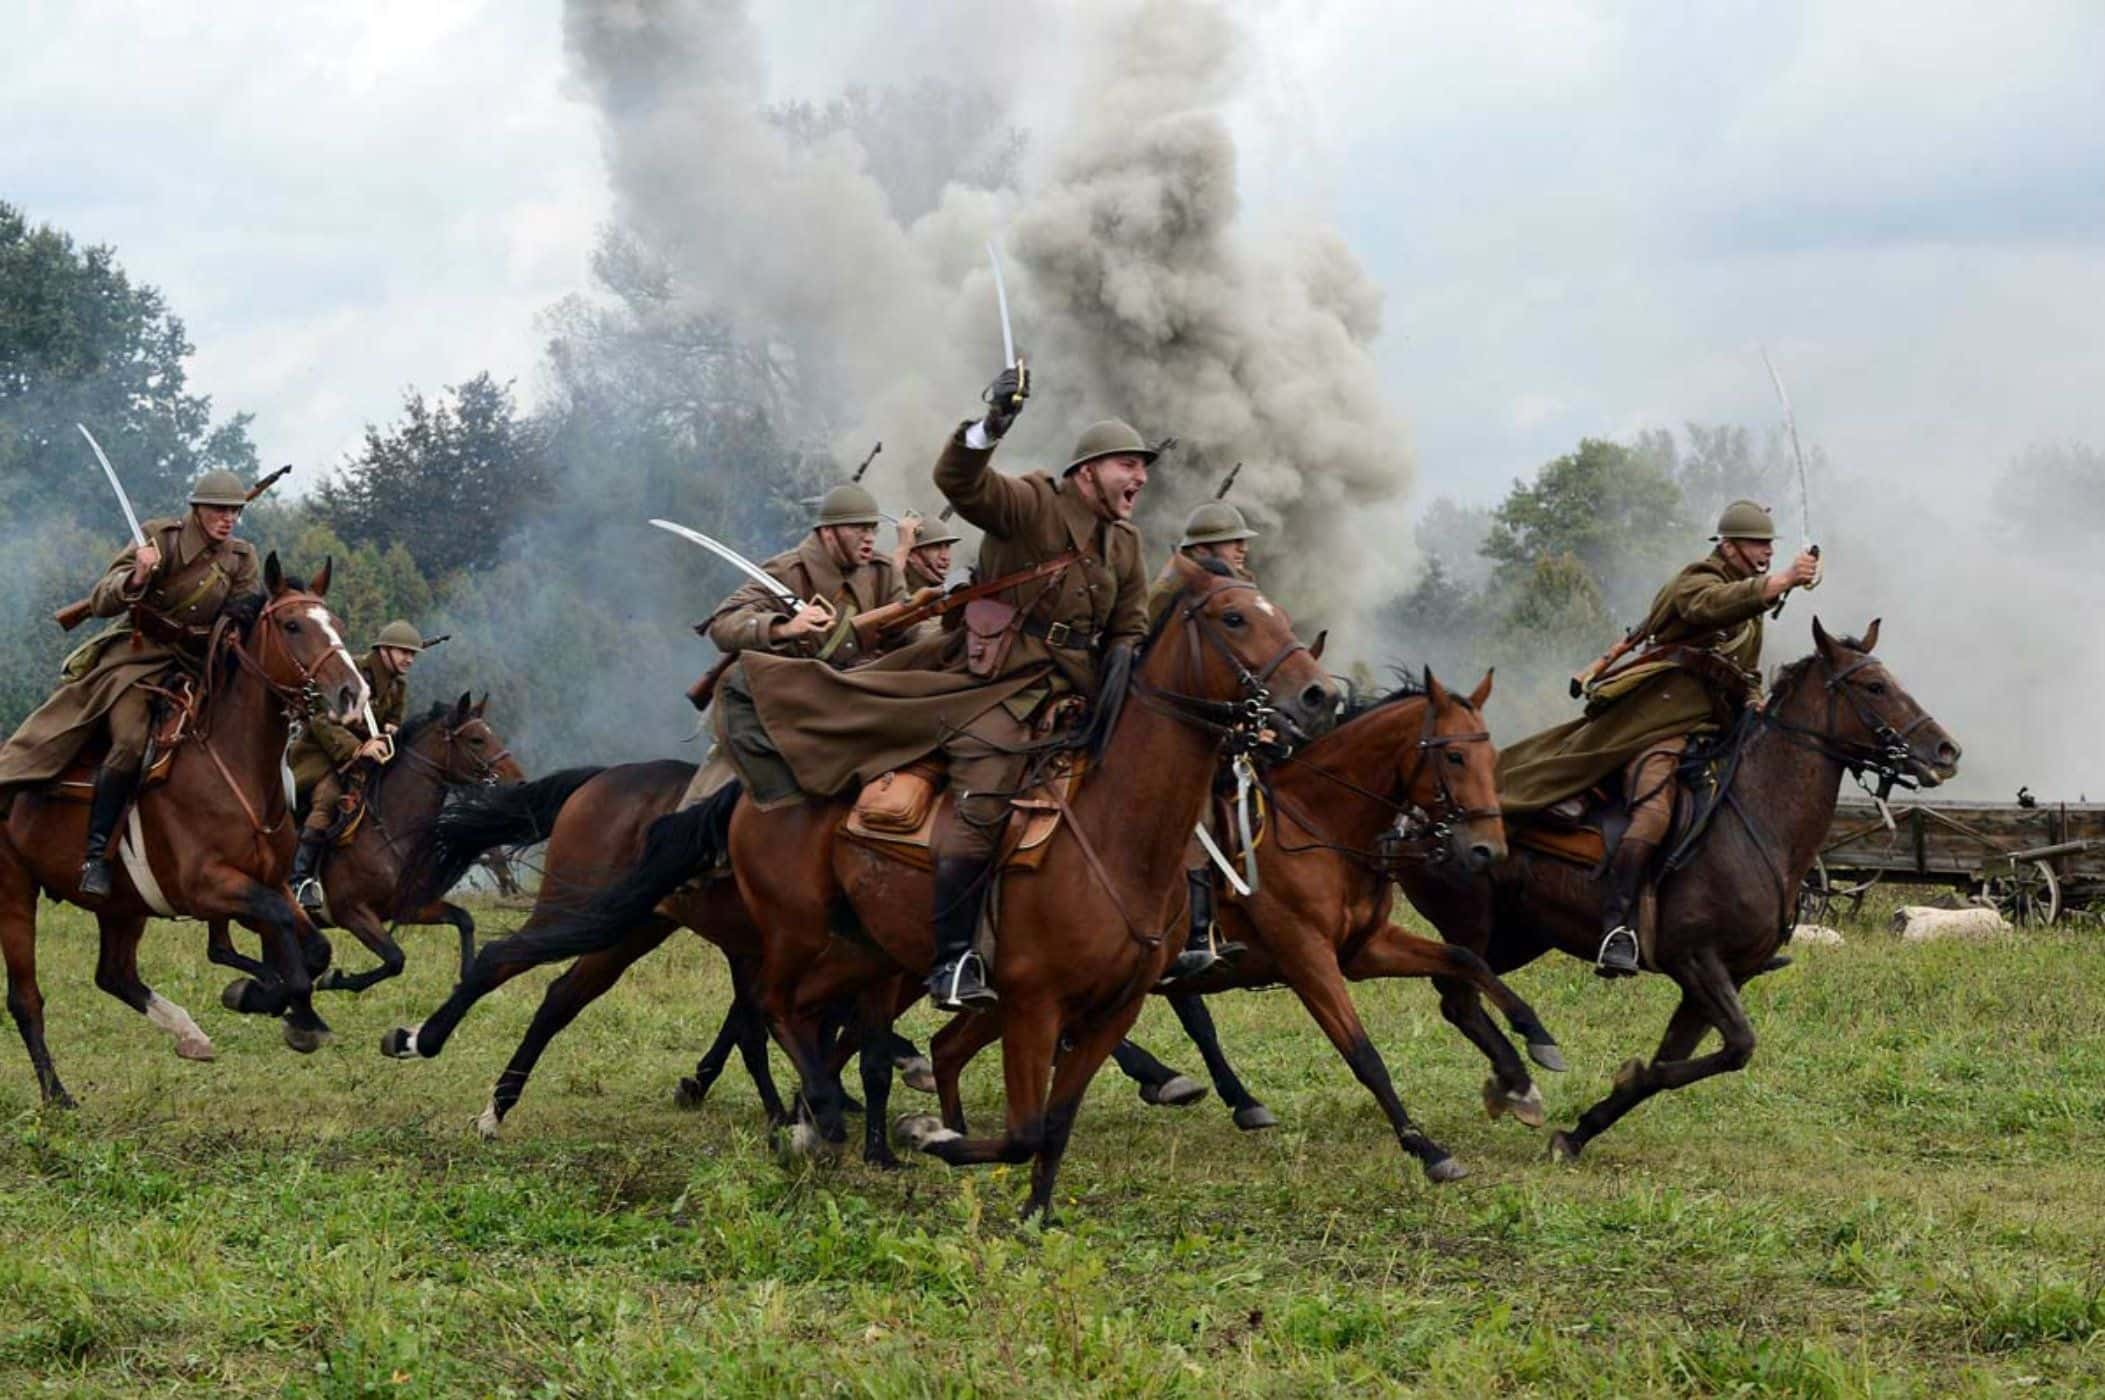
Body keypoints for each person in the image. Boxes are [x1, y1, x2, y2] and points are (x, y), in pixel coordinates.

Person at [709, 366, 1152, 1012]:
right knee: (983, 795)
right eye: (1126, 467)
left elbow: (1129, 622)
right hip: (999, 685)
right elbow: (962, 483)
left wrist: (1120, 686)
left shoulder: (1126, 543)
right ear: (1086, 472)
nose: (1138, 478)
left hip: (1082, 692)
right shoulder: (1031, 504)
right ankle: (953, 959)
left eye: (1142, 468)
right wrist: (990, 425)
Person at [1496, 499, 1821, 976]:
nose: (1766, 551)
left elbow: (1740, 669)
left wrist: (1754, 700)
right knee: (1653, 813)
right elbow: (1711, 606)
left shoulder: (1750, 603)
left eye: (1769, 544)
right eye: (1756, 543)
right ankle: (1618, 928)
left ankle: (1739, 932)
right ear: (1727, 547)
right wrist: (1783, 581)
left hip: (1715, 729)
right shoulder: (1697, 580)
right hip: (1659, 724)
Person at [0, 470, 261, 896]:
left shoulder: (239, 558)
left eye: (234, 511)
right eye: (219, 509)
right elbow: (103, 598)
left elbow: (241, 613)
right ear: (196, 510)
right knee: (129, 742)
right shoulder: (161, 537)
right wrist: (137, 577)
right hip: (138, 661)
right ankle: (95, 855)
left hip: (198, 667)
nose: (228, 518)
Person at [675, 484, 912, 812]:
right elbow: (724, 624)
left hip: (853, 699)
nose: (869, 537)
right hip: (783, 708)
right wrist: (784, 627)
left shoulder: (880, 573)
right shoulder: (786, 571)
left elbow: (911, 622)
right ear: (828, 533)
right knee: (710, 804)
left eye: (872, 528)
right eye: (859, 528)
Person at [1148, 499, 1265, 982]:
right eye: (1232, 540)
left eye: (1242, 541)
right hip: (1172, 727)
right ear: (1201, 549)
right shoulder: (1170, 591)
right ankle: (1197, 931)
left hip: (1223, 724)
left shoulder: (1240, 592)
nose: (1241, 548)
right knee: (1191, 814)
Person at [287, 620, 423, 912]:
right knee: (329, 799)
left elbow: (394, 718)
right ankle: (299, 880)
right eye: (403, 652)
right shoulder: (351, 673)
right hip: (321, 754)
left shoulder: (397, 686)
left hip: (367, 760)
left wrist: (392, 729)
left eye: (413, 655)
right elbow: (321, 719)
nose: (409, 659)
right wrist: (358, 747)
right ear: (384, 651)